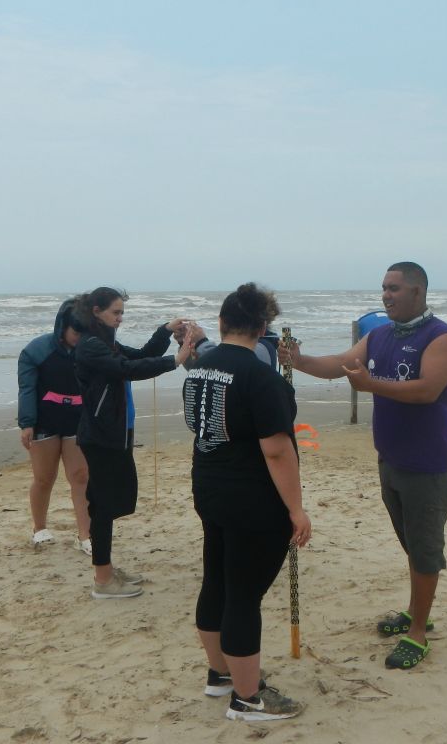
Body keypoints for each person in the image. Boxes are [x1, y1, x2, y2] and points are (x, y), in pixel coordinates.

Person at [279, 262, 447, 670]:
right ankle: (416, 611)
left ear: (417, 291)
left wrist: (371, 385)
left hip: (428, 466)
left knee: (425, 550)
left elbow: (428, 391)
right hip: (391, 461)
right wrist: (299, 358)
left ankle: (418, 632)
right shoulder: (379, 335)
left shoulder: (442, 338)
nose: (386, 295)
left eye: (394, 288)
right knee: (411, 545)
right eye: (383, 288)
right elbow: (340, 364)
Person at [182, 283, 311, 721]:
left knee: (216, 580)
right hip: (251, 498)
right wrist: (296, 509)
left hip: (210, 488)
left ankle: (221, 674)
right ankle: (248, 698)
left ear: (221, 322)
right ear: (262, 327)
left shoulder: (199, 365)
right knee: (242, 595)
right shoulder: (261, 378)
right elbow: (277, 450)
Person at [72, 287, 192, 600]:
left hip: (115, 432)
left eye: (122, 312)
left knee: (111, 504)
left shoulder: (106, 341)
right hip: (100, 436)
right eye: (115, 312)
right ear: (96, 311)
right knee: (104, 506)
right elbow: (127, 369)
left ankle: (106, 570)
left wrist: (164, 331)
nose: (120, 318)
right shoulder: (90, 345)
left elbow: (139, 356)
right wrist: (175, 361)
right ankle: (102, 579)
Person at [17, 299, 92, 552]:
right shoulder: (36, 351)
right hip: (44, 422)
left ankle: (85, 535)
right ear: (63, 326)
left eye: (84, 333)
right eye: (75, 332)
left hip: (77, 419)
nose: (79, 338)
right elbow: (26, 389)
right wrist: (26, 423)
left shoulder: (90, 350)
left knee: (80, 476)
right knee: (44, 478)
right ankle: (39, 528)